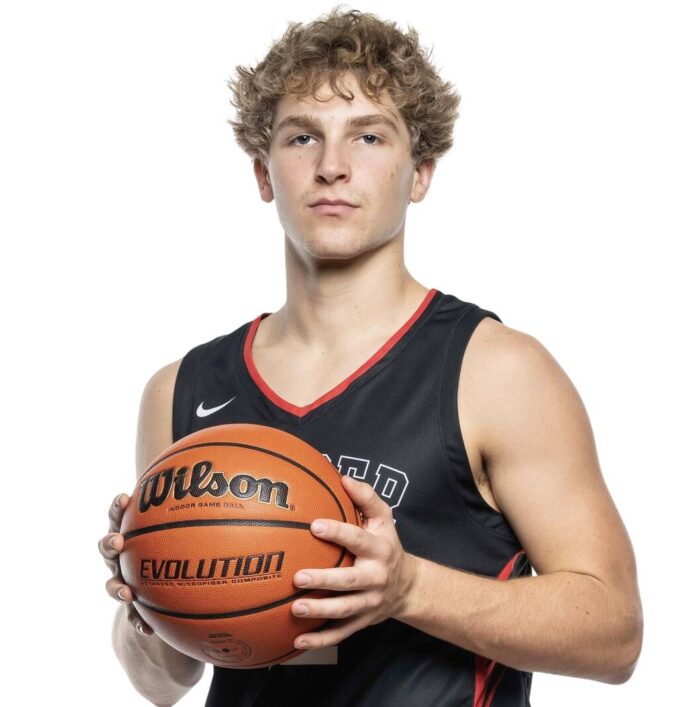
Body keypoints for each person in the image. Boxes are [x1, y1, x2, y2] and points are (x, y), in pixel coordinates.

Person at [98, 6, 643, 706]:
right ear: (263, 172)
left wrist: (409, 588)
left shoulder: (496, 372)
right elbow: (161, 682)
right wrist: (148, 596)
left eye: (368, 136)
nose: (331, 167)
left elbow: (615, 635)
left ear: (420, 173)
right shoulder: (181, 389)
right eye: (302, 137)